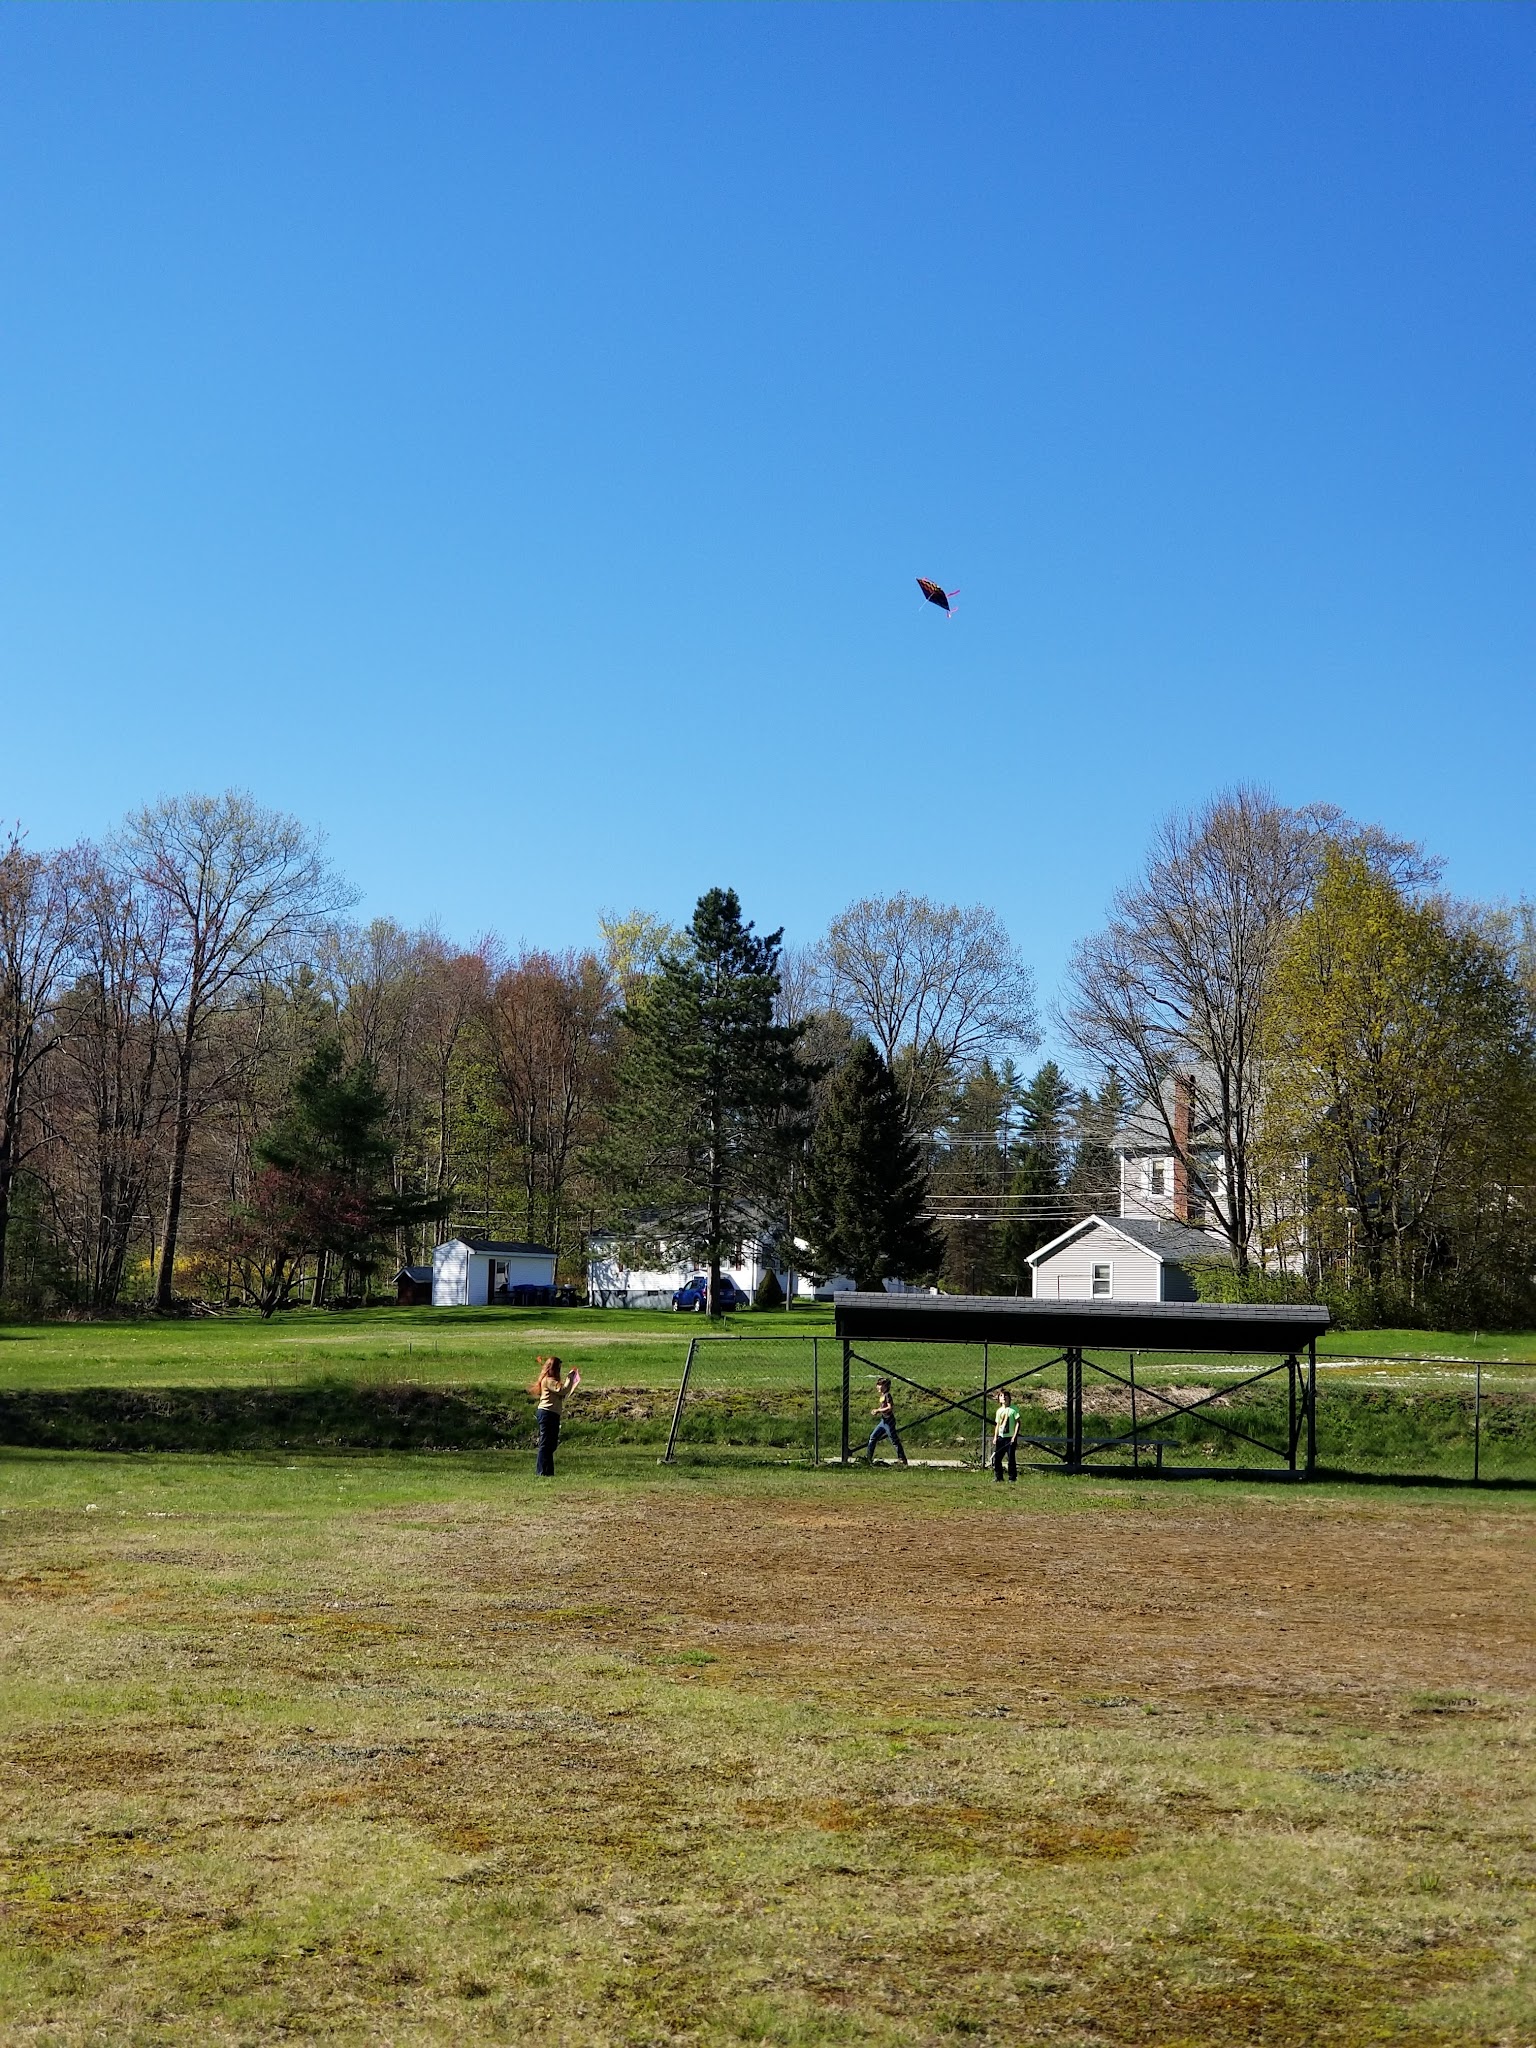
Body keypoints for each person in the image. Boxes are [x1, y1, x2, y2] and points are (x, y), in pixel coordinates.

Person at [531, 1355, 581, 1477]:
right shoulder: (548, 1380)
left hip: (552, 1413)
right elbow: (562, 1390)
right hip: (547, 1413)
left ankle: (548, 1471)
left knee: (551, 1444)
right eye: (558, 1368)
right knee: (546, 1443)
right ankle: (542, 1471)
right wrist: (570, 1378)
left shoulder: (551, 1381)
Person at [865, 1379, 908, 1466]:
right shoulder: (882, 1395)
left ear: (886, 1387)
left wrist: (878, 1410)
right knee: (873, 1437)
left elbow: (890, 1407)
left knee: (894, 1440)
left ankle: (902, 1459)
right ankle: (868, 1458)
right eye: (878, 1385)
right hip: (883, 1421)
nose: (878, 1387)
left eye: (881, 1385)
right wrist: (877, 1411)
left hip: (889, 1421)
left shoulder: (887, 1395)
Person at [992, 1389, 1021, 1483]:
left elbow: (1018, 1423)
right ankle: (998, 1477)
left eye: (1005, 1395)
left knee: (1011, 1458)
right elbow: (997, 1424)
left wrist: (1014, 1436)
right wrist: (995, 1437)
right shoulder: (999, 1411)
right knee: (997, 1458)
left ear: (1009, 1398)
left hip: (1010, 1437)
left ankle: (1012, 1477)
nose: (1003, 1397)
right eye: (1001, 1396)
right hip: (1001, 1437)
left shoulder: (1014, 1409)